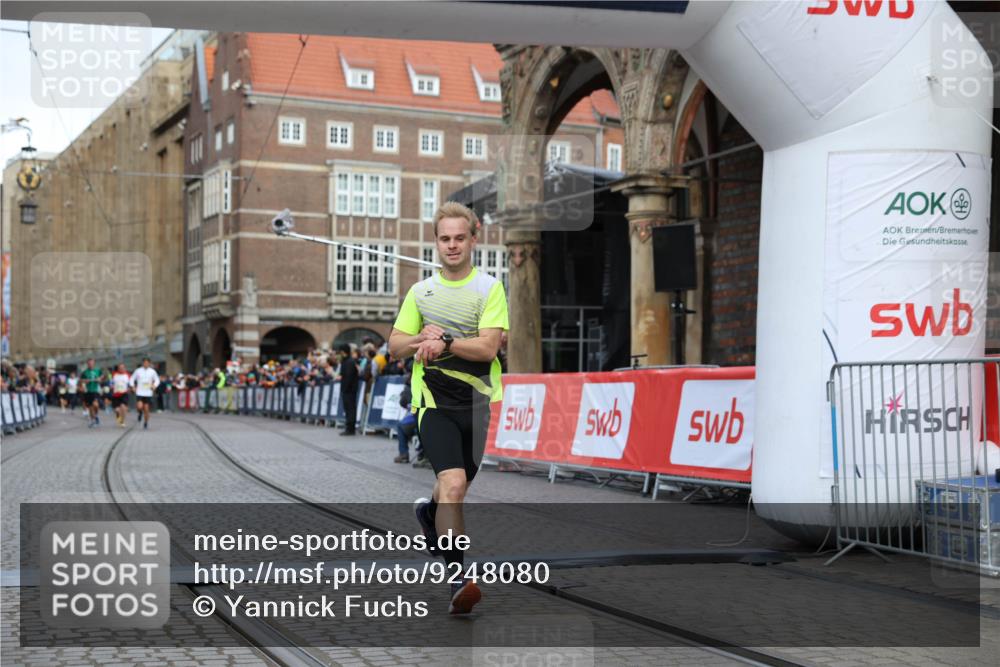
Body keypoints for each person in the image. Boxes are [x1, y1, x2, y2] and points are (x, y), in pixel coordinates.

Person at [388, 201, 508, 615]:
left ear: (474, 239)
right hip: (433, 402)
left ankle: (428, 513)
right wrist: (419, 337)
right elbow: (395, 346)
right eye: (444, 239)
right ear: (436, 243)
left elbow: (488, 348)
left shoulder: (490, 288)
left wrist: (447, 342)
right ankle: (458, 579)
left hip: (476, 403)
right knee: (453, 484)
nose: (452, 245)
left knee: (453, 490)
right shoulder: (421, 292)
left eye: (459, 238)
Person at [130, 358, 160, 430]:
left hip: (148, 393)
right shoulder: (138, 371)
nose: (146, 364)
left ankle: (146, 423)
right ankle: (140, 413)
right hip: (140, 392)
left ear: (149, 363)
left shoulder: (152, 371)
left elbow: (157, 380)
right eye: (144, 363)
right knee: (139, 406)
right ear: (142, 363)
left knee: (146, 409)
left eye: (147, 363)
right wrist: (133, 386)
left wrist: (154, 386)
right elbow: (132, 379)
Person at [337, 343, 359, 435]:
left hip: (349, 390)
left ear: (343, 352)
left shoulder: (349, 362)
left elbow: (349, 377)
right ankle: (349, 427)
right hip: (348, 389)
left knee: (350, 409)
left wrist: (345, 388)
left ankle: (350, 429)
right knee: (348, 409)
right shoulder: (346, 361)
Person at [80, 358, 104, 428]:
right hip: (88, 391)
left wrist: (99, 379)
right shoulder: (85, 372)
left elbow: (102, 376)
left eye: (91, 363)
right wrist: (85, 381)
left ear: (94, 363)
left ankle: (96, 416)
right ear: (87, 364)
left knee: (96, 405)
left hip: (96, 390)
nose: (90, 364)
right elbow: (81, 380)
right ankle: (93, 420)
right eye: (89, 363)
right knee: (90, 407)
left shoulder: (98, 370)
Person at [110, 363, 131, 427]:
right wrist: (111, 386)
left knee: (123, 408)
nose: (121, 369)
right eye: (120, 368)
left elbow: (130, 384)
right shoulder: (114, 374)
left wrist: (130, 388)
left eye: (122, 368)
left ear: (125, 368)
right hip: (115, 394)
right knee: (117, 410)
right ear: (118, 369)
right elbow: (111, 383)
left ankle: (122, 421)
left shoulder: (127, 375)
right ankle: (118, 415)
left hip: (124, 393)